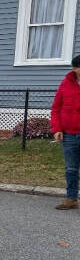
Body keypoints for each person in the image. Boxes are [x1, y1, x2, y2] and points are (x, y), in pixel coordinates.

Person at [50, 54, 80, 209]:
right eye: (75, 67)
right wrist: (57, 129)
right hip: (69, 135)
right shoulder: (66, 84)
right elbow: (56, 109)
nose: (76, 70)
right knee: (71, 169)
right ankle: (71, 199)